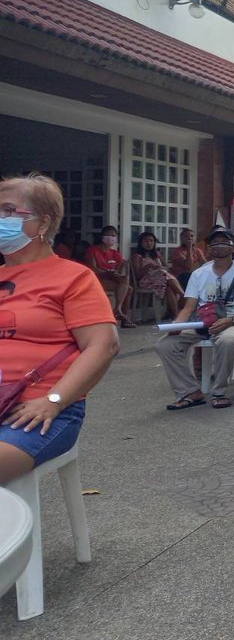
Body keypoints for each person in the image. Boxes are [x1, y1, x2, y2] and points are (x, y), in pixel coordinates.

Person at [0, 174, 119, 483]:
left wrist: (54, 400)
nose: (1, 218)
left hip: (36, 410)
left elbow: (103, 345)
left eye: (9, 210)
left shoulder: (73, 277)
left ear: (42, 224)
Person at [156, 226, 234, 410]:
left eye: (223, 242)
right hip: (202, 321)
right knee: (165, 345)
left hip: (231, 321)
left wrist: (231, 320)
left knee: (227, 341)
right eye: (214, 243)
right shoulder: (199, 274)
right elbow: (189, 307)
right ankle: (189, 391)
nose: (218, 246)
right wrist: (177, 324)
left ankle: (219, 391)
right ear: (209, 248)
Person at [84, 225, 135, 328]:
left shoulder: (115, 253)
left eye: (114, 235)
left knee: (126, 283)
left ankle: (118, 310)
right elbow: (92, 269)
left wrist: (115, 273)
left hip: (111, 278)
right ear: (102, 236)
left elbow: (119, 269)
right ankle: (121, 314)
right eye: (108, 235)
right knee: (127, 289)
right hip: (98, 278)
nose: (111, 237)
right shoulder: (93, 250)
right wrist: (105, 272)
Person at [131, 231, 186, 317]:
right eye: (146, 241)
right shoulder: (137, 257)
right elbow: (137, 275)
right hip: (146, 282)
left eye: (151, 241)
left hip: (162, 280)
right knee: (164, 274)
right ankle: (183, 295)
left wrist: (159, 268)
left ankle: (177, 315)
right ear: (141, 243)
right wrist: (148, 267)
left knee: (168, 287)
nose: (149, 243)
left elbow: (167, 268)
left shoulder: (157, 254)